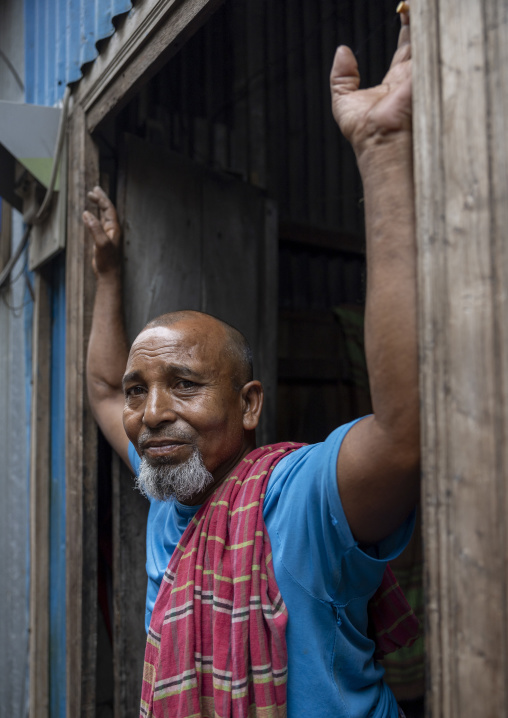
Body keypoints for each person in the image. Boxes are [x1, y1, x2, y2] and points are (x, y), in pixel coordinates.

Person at [84, 7, 418, 718]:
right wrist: (108, 272)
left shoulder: (297, 500)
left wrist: (383, 152)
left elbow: (405, 434)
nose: (149, 414)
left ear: (250, 404)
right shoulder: (169, 494)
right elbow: (103, 387)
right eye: (144, 391)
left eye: (184, 385)